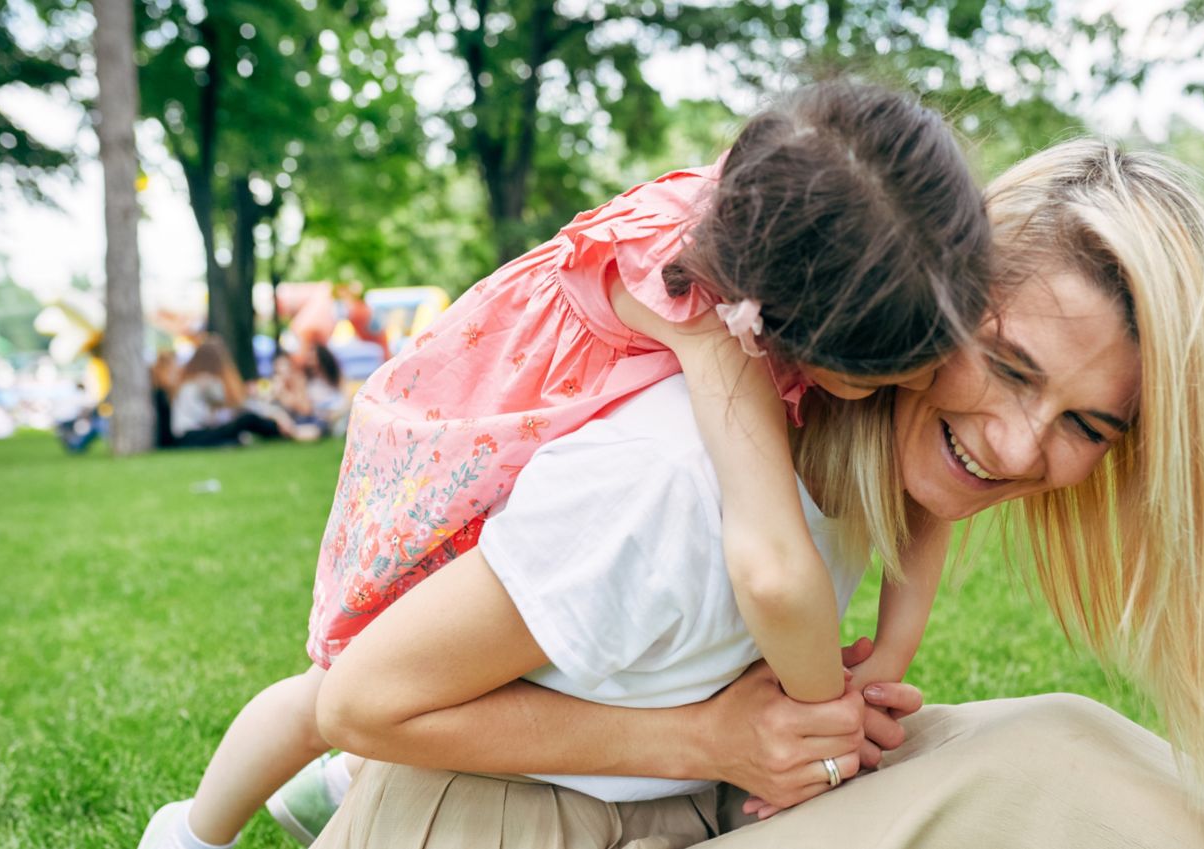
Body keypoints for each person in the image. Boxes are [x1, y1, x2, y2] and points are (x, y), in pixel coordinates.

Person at [302, 140, 1204, 849]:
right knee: (1036, 772)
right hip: (505, 829)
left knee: (1056, 742)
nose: (1022, 447)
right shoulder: (679, 478)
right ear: (927, 299)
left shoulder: (848, 476)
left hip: (644, 804)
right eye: (1013, 367)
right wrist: (717, 741)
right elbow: (363, 703)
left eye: (1091, 425)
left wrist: (813, 716)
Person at [138, 80, 990, 849]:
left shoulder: (818, 211)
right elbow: (772, 568)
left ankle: (352, 783)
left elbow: (914, 490)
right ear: (783, 330)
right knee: (333, 687)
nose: (923, 386)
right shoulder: (707, 319)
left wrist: (888, 655)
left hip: (562, 422)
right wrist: (821, 718)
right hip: (483, 445)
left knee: (491, 663)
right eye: (887, 377)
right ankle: (190, 832)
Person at [169, 336, 314, 448]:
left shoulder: (191, 381)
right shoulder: (204, 381)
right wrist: (273, 413)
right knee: (247, 420)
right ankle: (287, 432)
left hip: (188, 436)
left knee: (240, 427)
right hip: (192, 436)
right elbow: (236, 403)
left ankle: (286, 431)